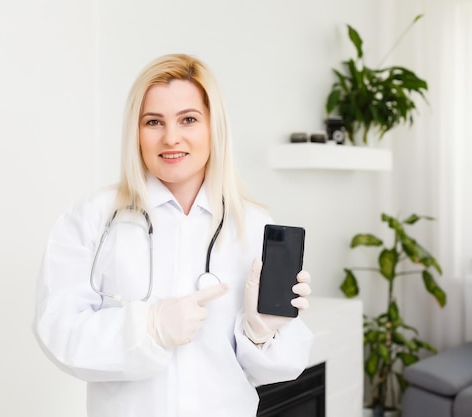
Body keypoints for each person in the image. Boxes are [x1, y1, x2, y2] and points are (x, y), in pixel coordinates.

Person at [34, 53, 313, 417]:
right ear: (135, 131)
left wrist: (261, 333)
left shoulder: (254, 225)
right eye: (153, 121)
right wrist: (150, 328)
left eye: (188, 119)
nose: (171, 137)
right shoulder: (93, 218)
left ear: (214, 127)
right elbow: (59, 332)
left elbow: (281, 368)